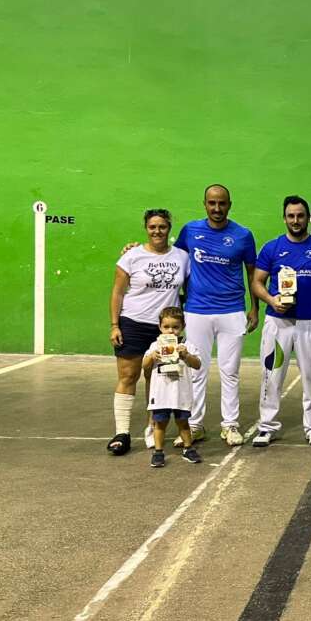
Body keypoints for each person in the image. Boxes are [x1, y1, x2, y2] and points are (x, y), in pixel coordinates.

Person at [172, 184, 259, 448]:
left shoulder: (243, 235)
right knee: (195, 370)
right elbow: (174, 259)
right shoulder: (190, 230)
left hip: (232, 311)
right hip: (197, 311)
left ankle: (230, 425)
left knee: (230, 371)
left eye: (222, 203)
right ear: (205, 204)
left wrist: (255, 308)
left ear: (229, 205)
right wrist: (135, 250)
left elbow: (252, 273)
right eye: (212, 203)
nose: (217, 208)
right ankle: (195, 425)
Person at [250, 196, 311, 448]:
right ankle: (267, 426)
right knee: (271, 375)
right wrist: (271, 300)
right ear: (284, 218)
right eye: (291, 216)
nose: (295, 220)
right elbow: (257, 282)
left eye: (300, 216)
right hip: (278, 323)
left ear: (307, 218)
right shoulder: (272, 248)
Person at [107, 209, 189, 456]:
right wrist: (114, 325)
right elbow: (117, 293)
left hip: (164, 329)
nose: (157, 231)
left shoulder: (182, 257)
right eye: (152, 227)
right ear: (146, 228)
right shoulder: (132, 256)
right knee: (128, 376)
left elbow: (189, 290)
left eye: (162, 226)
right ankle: (122, 433)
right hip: (132, 322)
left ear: (169, 228)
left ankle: (153, 428)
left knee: (157, 380)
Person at [143, 307, 203, 467]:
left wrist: (186, 355)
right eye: (166, 327)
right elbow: (145, 365)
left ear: (182, 327)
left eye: (175, 327)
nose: (171, 331)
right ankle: (158, 452)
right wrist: (152, 357)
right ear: (160, 327)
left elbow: (197, 365)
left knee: (183, 422)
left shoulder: (187, 345)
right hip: (161, 393)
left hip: (180, 393)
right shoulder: (155, 345)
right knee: (160, 423)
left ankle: (188, 448)